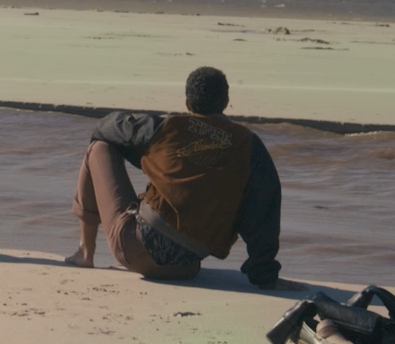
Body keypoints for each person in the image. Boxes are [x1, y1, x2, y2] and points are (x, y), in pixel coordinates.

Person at [67, 66, 290, 289]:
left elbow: (107, 126)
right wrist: (265, 276)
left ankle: (85, 252)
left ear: (188, 104)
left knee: (99, 148)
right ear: (226, 101)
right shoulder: (249, 146)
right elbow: (264, 211)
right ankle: (93, 250)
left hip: (134, 251)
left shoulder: (168, 127)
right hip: (187, 268)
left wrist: (143, 153)